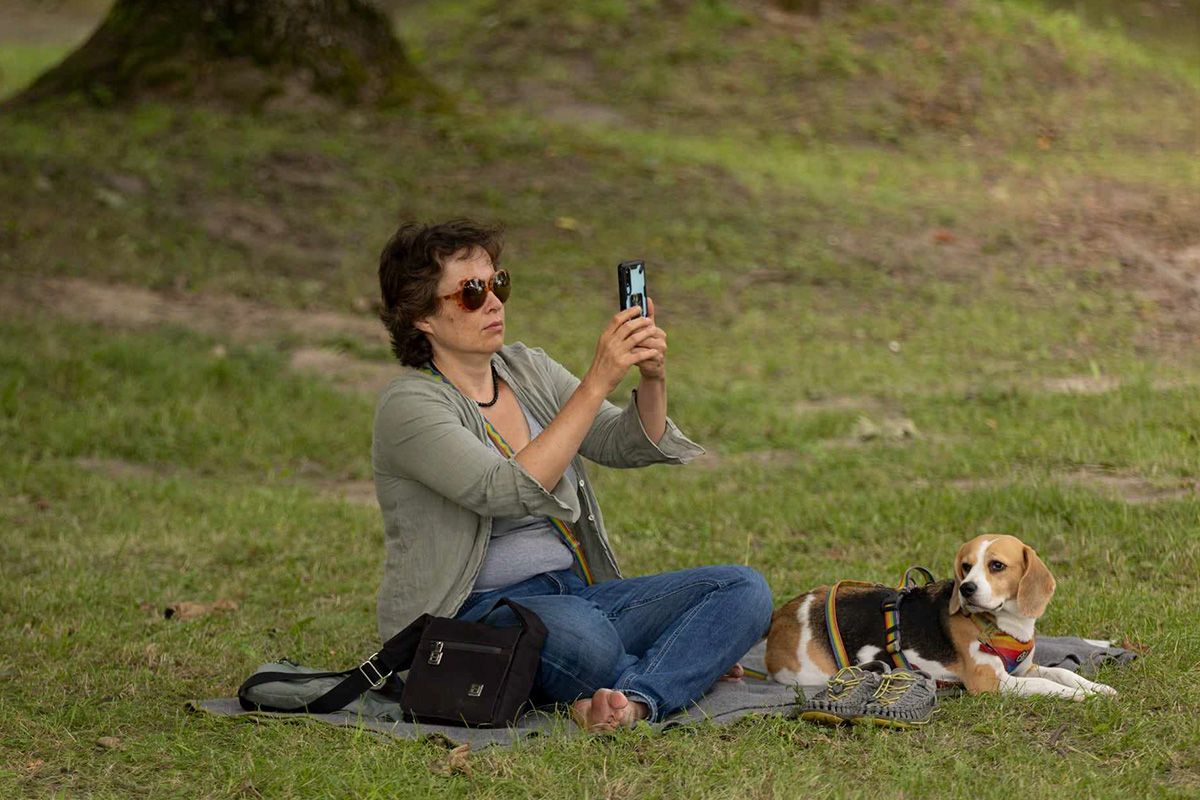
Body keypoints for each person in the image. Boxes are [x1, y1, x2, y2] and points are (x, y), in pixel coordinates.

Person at [373, 219, 773, 731]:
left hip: (575, 593)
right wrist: (599, 377)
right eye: (472, 293)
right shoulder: (409, 406)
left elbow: (622, 442)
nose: (494, 302)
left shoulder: (526, 369)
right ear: (422, 316)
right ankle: (677, 668)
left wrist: (652, 377)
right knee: (584, 639)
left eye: (499, 283)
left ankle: (635, 701)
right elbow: (505, 490)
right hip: (472, 617)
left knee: (744, 589)